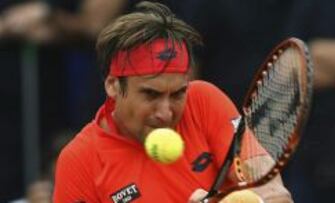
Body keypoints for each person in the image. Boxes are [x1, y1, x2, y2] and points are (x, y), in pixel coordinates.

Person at [53, 1, 293, 202]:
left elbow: (274, 191)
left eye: (178, 94)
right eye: (151, 94)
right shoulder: (79, 161)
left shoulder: (203, 100)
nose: (166, 112)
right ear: (113, 86)